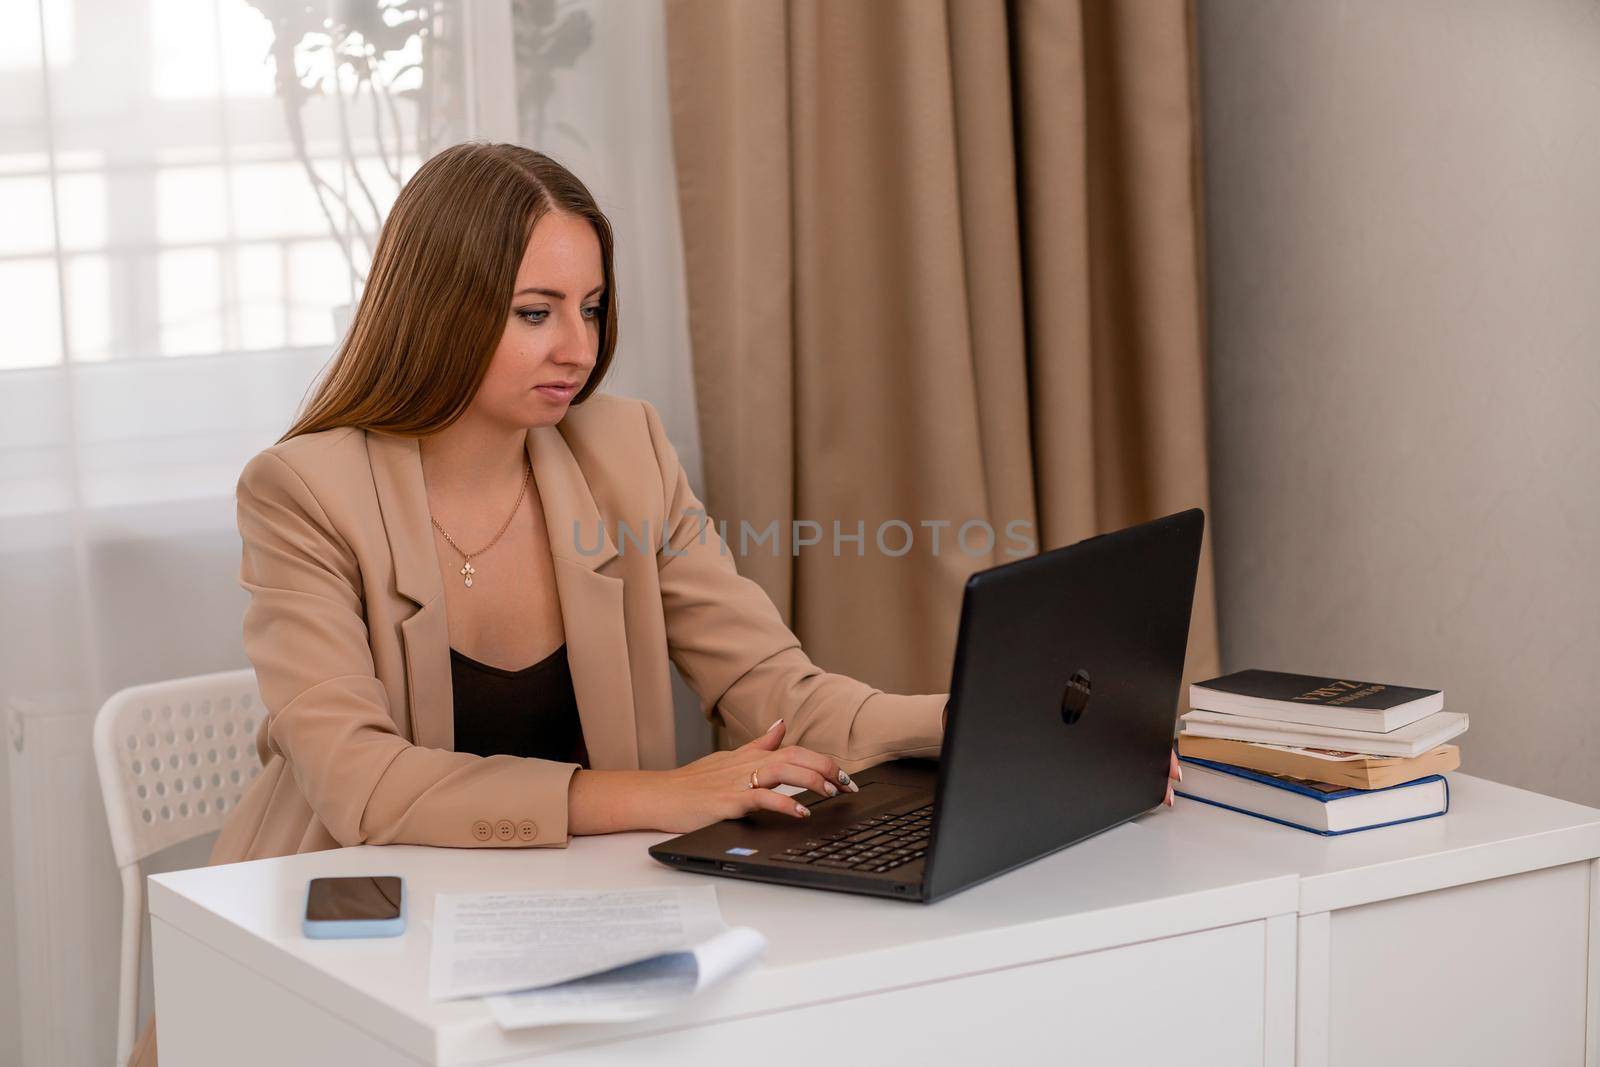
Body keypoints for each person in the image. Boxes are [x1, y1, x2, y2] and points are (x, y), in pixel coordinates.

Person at [128, 142, 1179, 1065]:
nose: (576, 347)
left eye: (590, 308)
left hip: (561, 933)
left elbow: (773, 685)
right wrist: (662, 791)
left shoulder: (621, 449)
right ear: (438, 307)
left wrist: (979, 724)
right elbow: (362, 782)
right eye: (534, 312)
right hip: (339, 949)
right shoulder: (305, 488)